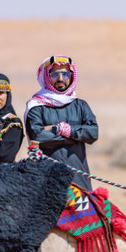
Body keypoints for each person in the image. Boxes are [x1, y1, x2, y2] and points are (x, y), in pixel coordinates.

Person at [24, 55, 98, 191]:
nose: (60, 79)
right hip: (47, 178)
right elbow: (38, 137)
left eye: (65, 74)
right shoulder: (36, 106)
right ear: (47, 77)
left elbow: (93, 133)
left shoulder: (80, 105)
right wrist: (74, 136)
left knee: (83, 212)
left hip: (79, 177)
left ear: (71, 76)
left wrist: (68, 131)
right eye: (54, 74)